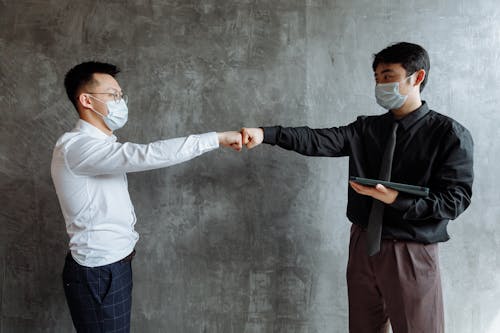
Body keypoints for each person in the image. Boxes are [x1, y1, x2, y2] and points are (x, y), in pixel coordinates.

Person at [240, 42, 473, 333]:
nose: (380, 84)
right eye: (376, 78)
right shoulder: (367, 129)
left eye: (388, 76)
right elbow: (317, 140)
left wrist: (396, 199)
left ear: (417, 77)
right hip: (363, 245)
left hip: (410, 251)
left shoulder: (449, 135)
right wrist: (265, 134)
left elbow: (455, 201)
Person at [51, 61, 242, 332]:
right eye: (112, 95)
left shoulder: (100, 146)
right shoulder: (76, 147)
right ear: (86, 100)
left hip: (113, 266)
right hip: (99, 271)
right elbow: (146, 154)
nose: (120, 102)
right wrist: (218, 138)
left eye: (121, 95)